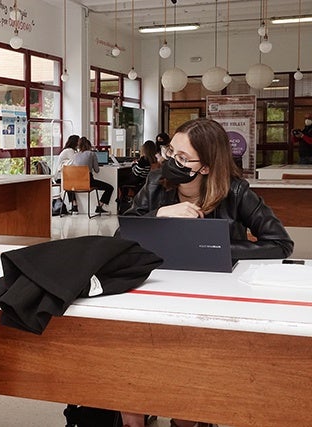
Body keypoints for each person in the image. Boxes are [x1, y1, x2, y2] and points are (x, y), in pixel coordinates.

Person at [121, 118, 294, 427]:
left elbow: (280, 243)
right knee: (130, 387)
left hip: (212, 298)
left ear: (207, 167)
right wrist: (160, 215)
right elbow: (123, 237)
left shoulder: (237, 192)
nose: (170, 160)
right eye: (170, 150)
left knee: (189, 390)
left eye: (183, 158)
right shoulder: (156, 183)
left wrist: (210, 247)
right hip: (159, 291)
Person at [69, 137, 114, 214]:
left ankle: (74, 206)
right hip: (88, 182)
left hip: (75, 183)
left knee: (69, 186)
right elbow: (97, 170)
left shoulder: (75, 155)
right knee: (109, 188)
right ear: (89, 146)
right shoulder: (92, 154)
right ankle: (99, 206)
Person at [117, 140, 158, 213]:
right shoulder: (155, 160)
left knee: (119, 180)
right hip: (144, 180)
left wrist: (134, 165)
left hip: (137, 179)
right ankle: (124, 198)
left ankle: (122, 200)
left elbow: (136, 172)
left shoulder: (143, 160)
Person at [54, 135, 79, 213]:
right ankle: (74, 205)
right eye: (78, 141)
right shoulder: (69, 151)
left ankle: (74, 205)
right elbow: (75, 162)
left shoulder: (71, 150)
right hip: (60, 177)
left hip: (65, 174)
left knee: (71, 182)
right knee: (70, 184)